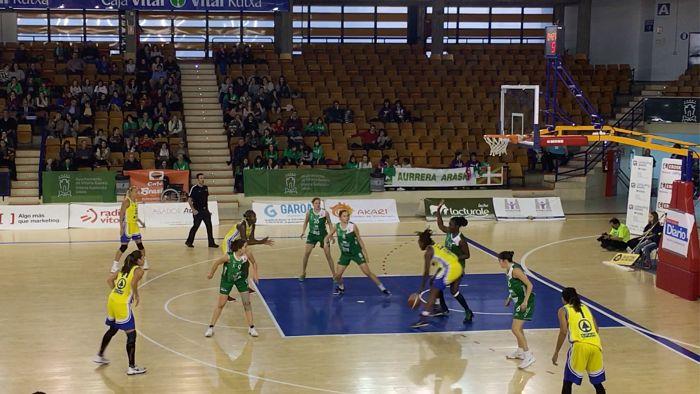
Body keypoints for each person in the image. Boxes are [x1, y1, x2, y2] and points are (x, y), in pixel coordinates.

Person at [93, 250, 147, 375]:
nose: (144, 259)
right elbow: (133, 283)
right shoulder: (139, 271)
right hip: (122, 304)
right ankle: (132, 367)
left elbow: (109, 280)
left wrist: (117, 292)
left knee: (113, 329)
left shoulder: (123, 269)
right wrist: (137, 296)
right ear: (138, 260)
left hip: (112, 300)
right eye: (143, 257)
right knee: (131, 335)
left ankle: (99, 356)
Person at [552, 287, 606, 394]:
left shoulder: (563, 310)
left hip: (580, 347)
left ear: (563, 299)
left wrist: (556, 352)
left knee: (567, 381)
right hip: (595, 345)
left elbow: (563, 331)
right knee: (597, 383)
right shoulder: (585, 307)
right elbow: (596, 329)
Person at [324, 210, 389, 296]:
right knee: (337, 276)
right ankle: (341, 287)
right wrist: (326, 240)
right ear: (340, 218)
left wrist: (365, 253)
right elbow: (329, 235)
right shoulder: (337, 226)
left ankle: (382, 288)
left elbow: (359, 239)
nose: (346, 218)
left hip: (356, 253)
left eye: (347, 216)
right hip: (345, 254)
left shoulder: (353, 226)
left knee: (367, 272)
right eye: (344, 216)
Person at [204, 239, 260, 338]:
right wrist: (211, 274)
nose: (247, 248)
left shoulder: (247, 254)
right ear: (239, 248)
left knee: (247, 303)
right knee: (221, 304)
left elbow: (254, 263)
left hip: (241, 280)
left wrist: (255, 273)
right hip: (227, 281)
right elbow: (216, 263)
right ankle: (210, 327)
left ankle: (251, 327)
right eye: (245, 246)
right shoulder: (228, 257)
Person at [410, 229, 464, 328]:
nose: (419, 245)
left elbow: (426, 272)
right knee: (433, 283)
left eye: (419, 243)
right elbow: (443, 262)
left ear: (423, 243)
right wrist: (434, 277)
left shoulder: (428, 252)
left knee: (432, 293)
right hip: (455, 266)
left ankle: (423, 319)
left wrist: (421, 289)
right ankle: (438, 308)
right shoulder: (435, 245)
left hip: (451, 269)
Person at [433, 201, 474, 323]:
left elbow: (467, 255)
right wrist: (439, 211)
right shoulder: (450, 232)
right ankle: (444, 308)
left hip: (458, 267)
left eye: (450, 224)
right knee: (438, 286)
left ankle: (468, 311)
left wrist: (454, 257)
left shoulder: (460, 240)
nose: (448, 226)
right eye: (449, 224)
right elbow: (440, 225)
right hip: (447, 265)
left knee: (454, 291)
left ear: (456, 226)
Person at [498, 250, 535, 369]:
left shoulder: (516, 270)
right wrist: (509, 297)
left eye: (499, 261)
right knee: (518, 328)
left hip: (525, 301)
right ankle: (520, 352)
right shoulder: (508, 270)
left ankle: (528, 355)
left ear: (504, 261)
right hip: (518, 301)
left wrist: (525, 301)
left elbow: (529, 285)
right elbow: (515, 286)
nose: (499, 263)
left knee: (515, 329)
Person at [299, 197, 336, 282]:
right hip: (312, 235)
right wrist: (303, 231)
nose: (318, 204)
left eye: (319, 203)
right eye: (316, 203)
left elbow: (330, 223)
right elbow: (305, 222)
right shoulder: (309, 212)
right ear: (313, 204)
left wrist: (331, 235)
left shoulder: (325, 213)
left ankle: (334, 275)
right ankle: (303, 273)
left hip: (323, 236)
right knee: (306, 253)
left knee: (328, 255)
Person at [112, 187, 148, 273]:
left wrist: (140, 222)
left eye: (137, 192)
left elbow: (134, 215)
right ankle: (114, 266)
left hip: (135, 226)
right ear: (130, 192)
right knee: (124, 247)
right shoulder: (126, 201)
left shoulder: (135, 201)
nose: (137, 193)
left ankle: (145, 262)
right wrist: (121, 228)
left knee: (140, 245)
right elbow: (121, 215)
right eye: (135, 192)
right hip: (127, 226)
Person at [185, 173, 218, 248]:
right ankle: (189, 241)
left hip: (205, 211)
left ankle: (211, 243)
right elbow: (189, 199)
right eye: (201, 178)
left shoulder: (206, 188)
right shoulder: (194, 188)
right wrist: (193, 210)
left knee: (209, 226)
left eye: (203, 178)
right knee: (196, 226)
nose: (202, 179)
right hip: (198, 211)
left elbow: (205, 200)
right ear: (198, 179)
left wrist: (208, 210)